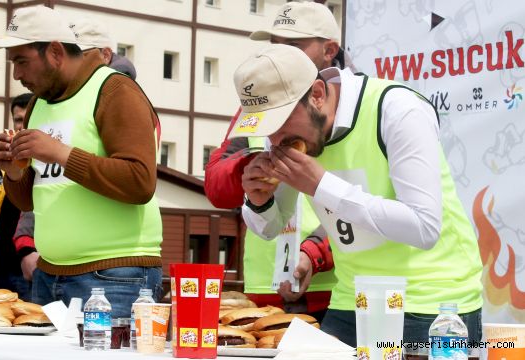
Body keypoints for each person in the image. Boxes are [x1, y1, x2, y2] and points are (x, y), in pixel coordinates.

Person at [229, 44, 483, 346]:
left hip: (431, 302)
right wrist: (259, 202)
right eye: (265, 128)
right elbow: (270, 228)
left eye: (280, 123)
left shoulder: (397, 109)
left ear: (318, 94)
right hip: (352, 296)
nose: (274, 140)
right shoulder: (292, 134)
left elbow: (424, 227)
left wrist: (321, 185)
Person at [0, 6, 163, 318]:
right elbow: (29, 200)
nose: (16, 74)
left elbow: (140, 181)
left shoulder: (115, 89)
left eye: (21, 61)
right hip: (49, 273)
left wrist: (59, 153)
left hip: (116, 276)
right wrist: (15, 172)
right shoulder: (38, 104)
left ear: (55, 51)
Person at [204, 1, 342, 318]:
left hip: (331, 289)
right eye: (275, 44)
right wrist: (253, 168)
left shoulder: (347, 108)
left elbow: (368, 206)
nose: (280, 54)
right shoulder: (258, 105)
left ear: (329, 50)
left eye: (293, 45)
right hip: (263, 287)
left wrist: (315, 253)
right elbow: (215, 188)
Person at [0, 93, 35, 301]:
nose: (21, 126)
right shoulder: (2, 165)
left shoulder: (44, 163)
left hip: (28, 264)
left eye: (26, 119)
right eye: (18, 119)